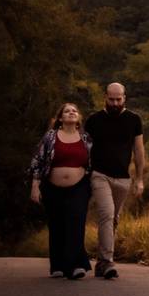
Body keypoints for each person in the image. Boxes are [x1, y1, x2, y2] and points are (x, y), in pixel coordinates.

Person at [85, 82, 145, 279]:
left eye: (118, 99)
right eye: (111, 99)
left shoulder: (134, 120)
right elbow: (84, 149)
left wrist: (139, 179)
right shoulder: (94, 120)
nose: (115, 103)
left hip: (123, 178)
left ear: (124, 98)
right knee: (107, 215)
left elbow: (138, 150)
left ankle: (101, 262)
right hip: (99, 174)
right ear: (105, 97)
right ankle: (107, 260)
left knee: (114, 219)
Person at [28, 103, 93, 280]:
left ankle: (76, 266)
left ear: (79, 117)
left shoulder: (86, 138)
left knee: (76, 223)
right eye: (67, 111)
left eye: (74, 111)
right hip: (52, 188)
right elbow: (38, 160)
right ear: (60, 118)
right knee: (56, 225)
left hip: (79, 187)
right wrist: (35, 186)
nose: (71, 113)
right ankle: (57, 265)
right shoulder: (50, 137)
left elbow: (92, 163)